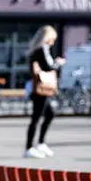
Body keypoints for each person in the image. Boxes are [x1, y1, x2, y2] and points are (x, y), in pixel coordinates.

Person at [25, 25, 63, 159]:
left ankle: (40, 143)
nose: (53, 42)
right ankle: (29, 147)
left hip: (38, 88)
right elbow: (48, 66)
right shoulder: (42, 49)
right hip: (40, 89)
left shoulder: (36, 50)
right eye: (53, 39)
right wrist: (58, 63)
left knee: (49, 114)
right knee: (36, 118)